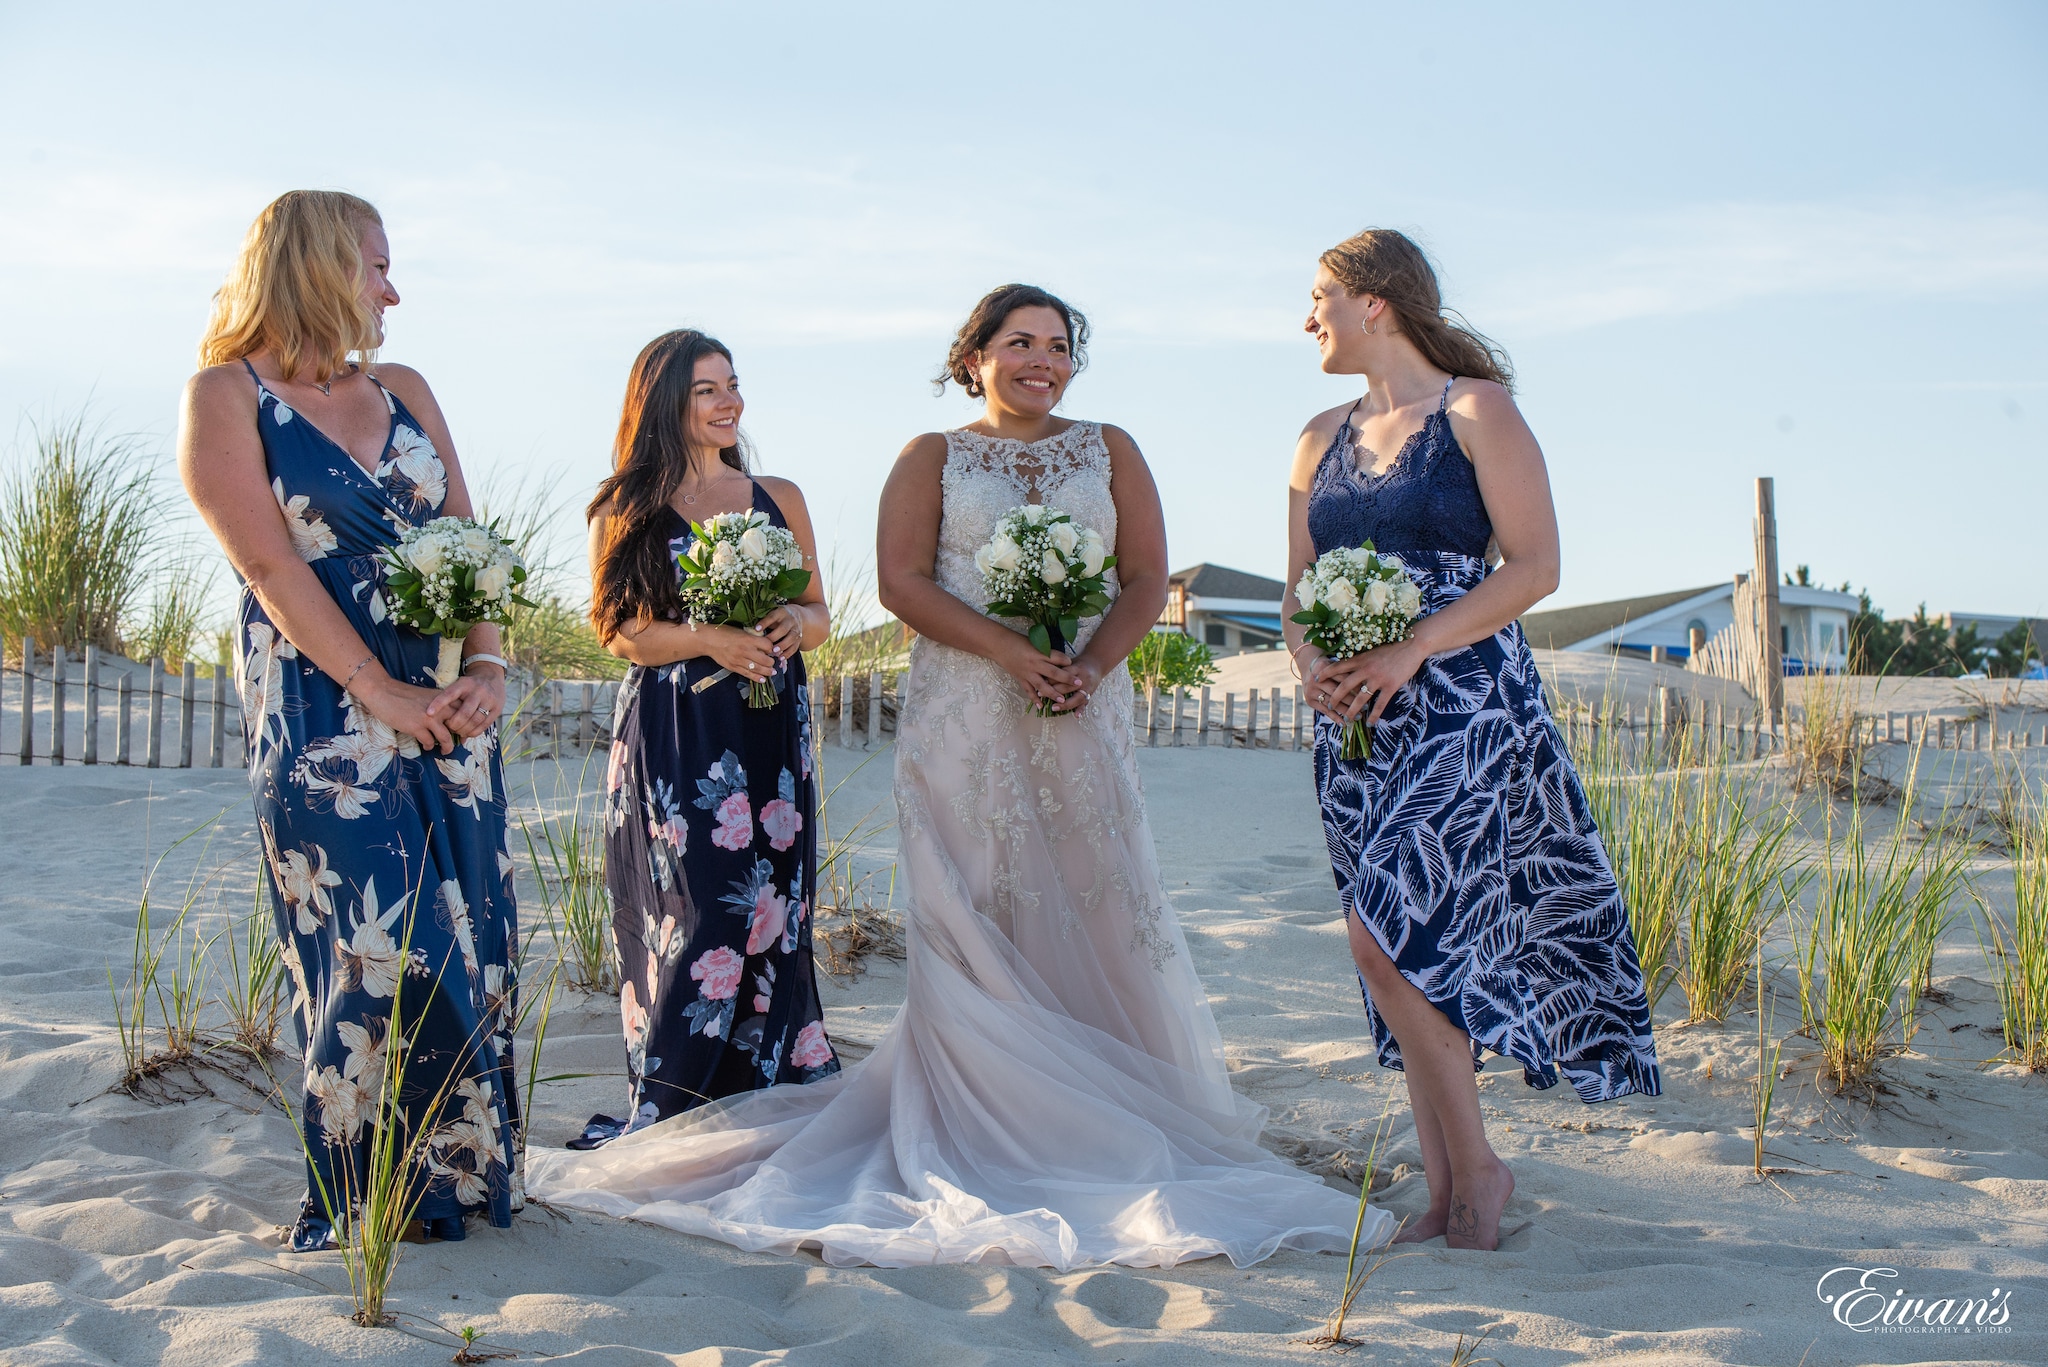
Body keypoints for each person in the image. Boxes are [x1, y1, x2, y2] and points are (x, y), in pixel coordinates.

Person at [526, 285, 1390, 1268]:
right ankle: (917, 1106)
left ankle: (1096, 1109)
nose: (1041, 358)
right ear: (970, 355)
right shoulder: (926, 455)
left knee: (1094, 897)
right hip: (957, 713)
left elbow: (1143, 577)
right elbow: (901, 585)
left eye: (1058, 344)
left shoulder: (1110, 447)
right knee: (971, 903)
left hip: (1077, 703)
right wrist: (1011, 654)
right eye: (1018, 341)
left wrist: (1089, 662)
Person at [1285, 228, 1662, 1252]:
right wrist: (1306, 662)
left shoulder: (1474, 409)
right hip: (1351, 714)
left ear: (1375, 301)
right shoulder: (1316, 434)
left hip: (1464, 699)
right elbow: (1293, 586)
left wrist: (1410, 646)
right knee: (1388, 946)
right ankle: (1453, 1178)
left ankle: (1477, 1170)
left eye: (1318, 296)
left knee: (1390, 932)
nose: (1305, 317)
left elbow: (1534, 566)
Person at [178, 191, 519, 1250]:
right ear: (318, 265)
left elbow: (471, 544)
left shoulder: (405, 388)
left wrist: (490, 662)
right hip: (323, 709)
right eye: (376, 266)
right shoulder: (225, 396)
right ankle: (363, 1184)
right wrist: (377, 688)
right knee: (384, 942)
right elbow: (271, 565)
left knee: (477, 945)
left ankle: (450, 1179)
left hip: (447, 705)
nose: (391, 289)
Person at [575, 329, 838, 1147]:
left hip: (768, 728)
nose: (731, 403)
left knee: (771, 903)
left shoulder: (777, 496)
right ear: (664, 404)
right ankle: (676, 1094)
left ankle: (771, 1084)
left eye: (733, 385)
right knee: (695, 907)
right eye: (707, 390)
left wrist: (796, 619)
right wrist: (708, 639)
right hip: (678, 726)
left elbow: (824, 614)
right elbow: (617, 632)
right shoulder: (627, 506)